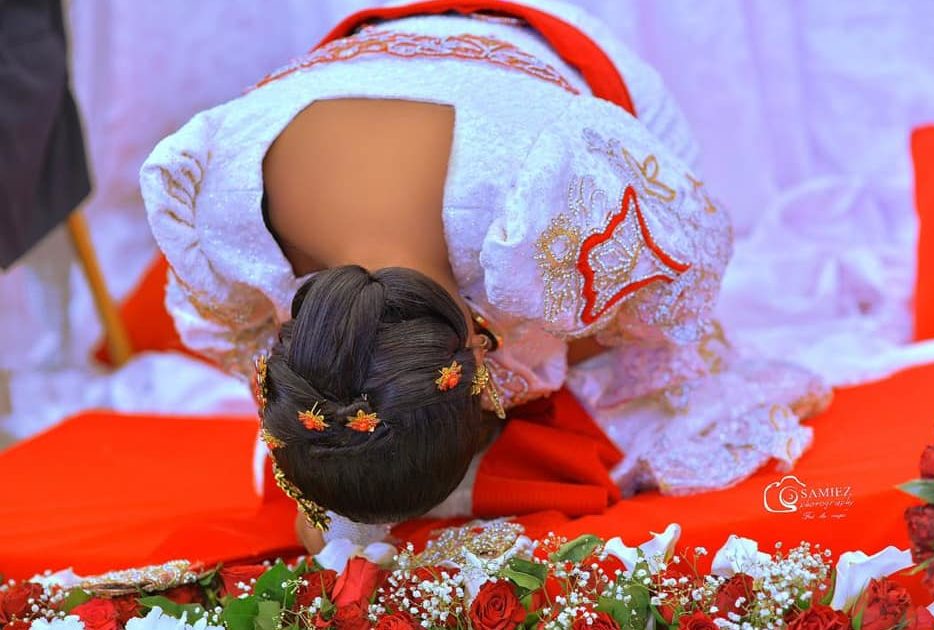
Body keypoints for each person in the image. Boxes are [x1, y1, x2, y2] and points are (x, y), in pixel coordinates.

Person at [141, 0, 830, 551]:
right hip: (361, 64)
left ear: (480, 349)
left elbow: (683, 272)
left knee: (631, 372)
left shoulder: (553, 195)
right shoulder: (221, 194)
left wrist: (565, 336)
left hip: (558, 68)